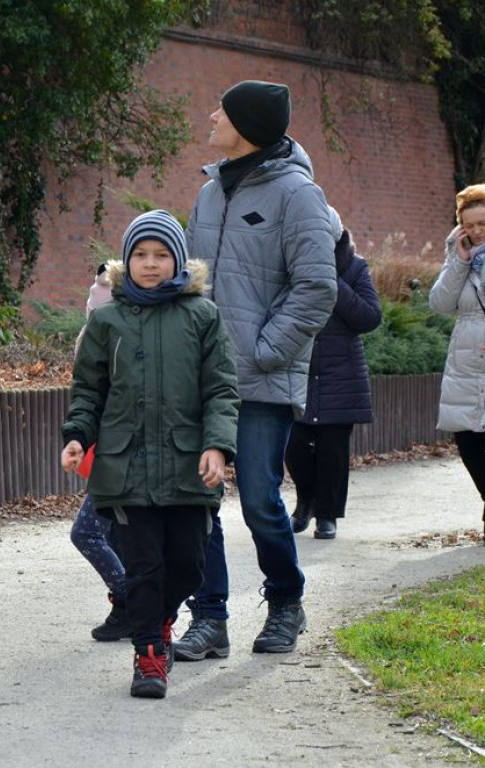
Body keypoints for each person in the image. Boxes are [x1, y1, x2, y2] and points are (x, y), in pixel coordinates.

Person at [178, 80, 337, 661]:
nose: (210, 114)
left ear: (245, 124)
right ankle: (209, 618)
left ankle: (286, 603)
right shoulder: (209, 193)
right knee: (200, 497)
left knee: (260, 501)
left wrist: (266, 348)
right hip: (203, 378)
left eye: (220, 109)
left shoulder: (299, 195)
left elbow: (318, 287)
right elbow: (191, 281)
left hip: (265, 377)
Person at [61, 210, 239, 699]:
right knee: (143, 567)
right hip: (126, 469)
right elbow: (88, 391)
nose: (151, 263)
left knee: (188, 565)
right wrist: (77, 435)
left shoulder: (203, 315)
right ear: (126, 260)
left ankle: (160, 617)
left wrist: (218, 445)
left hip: (187, 466)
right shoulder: (106, 319)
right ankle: (148, 656)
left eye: (161, 255)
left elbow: (222, 389)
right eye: (141, 254)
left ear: (178, 261)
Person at [287, 209, 382, 540]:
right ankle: (306, 500)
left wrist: (333, 282)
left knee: (332, 452)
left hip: (341, 375)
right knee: (294, 445)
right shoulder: (289, 267)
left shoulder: (355, 268)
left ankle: (327, 515)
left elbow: (370, 317)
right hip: (296, 372)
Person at [70, 262, 130, 641]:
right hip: (109, 454)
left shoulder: (116, 340)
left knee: (87, 533)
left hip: (120, 457)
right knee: (114, 535)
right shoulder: (92, 339)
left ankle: (130, 600)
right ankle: (127, 606)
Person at [429, 183, 485, 543]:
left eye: (483, 223)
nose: (477, 231)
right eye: (471, 225)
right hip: (465, 363)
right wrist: (460, 261)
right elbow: (439, 303)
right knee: (467, 441)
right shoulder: (459, 256)